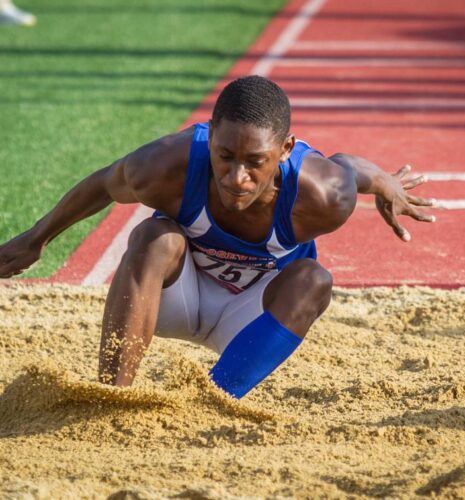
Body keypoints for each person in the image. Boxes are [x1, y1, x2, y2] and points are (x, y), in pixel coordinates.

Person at [0, 76, 436, 398]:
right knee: (155, 236)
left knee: (314, 279)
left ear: (286, 150)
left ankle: (213, 400)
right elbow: (103, 183)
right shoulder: (166, 165)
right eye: (224, 156)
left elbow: (346, 167)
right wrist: (37, 238)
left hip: (250, 319)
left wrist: (384, 181)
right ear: (209, 135)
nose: (236, 177)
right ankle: (110, 396)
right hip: (174, 297)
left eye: (255, 162)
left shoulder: (324, 197)